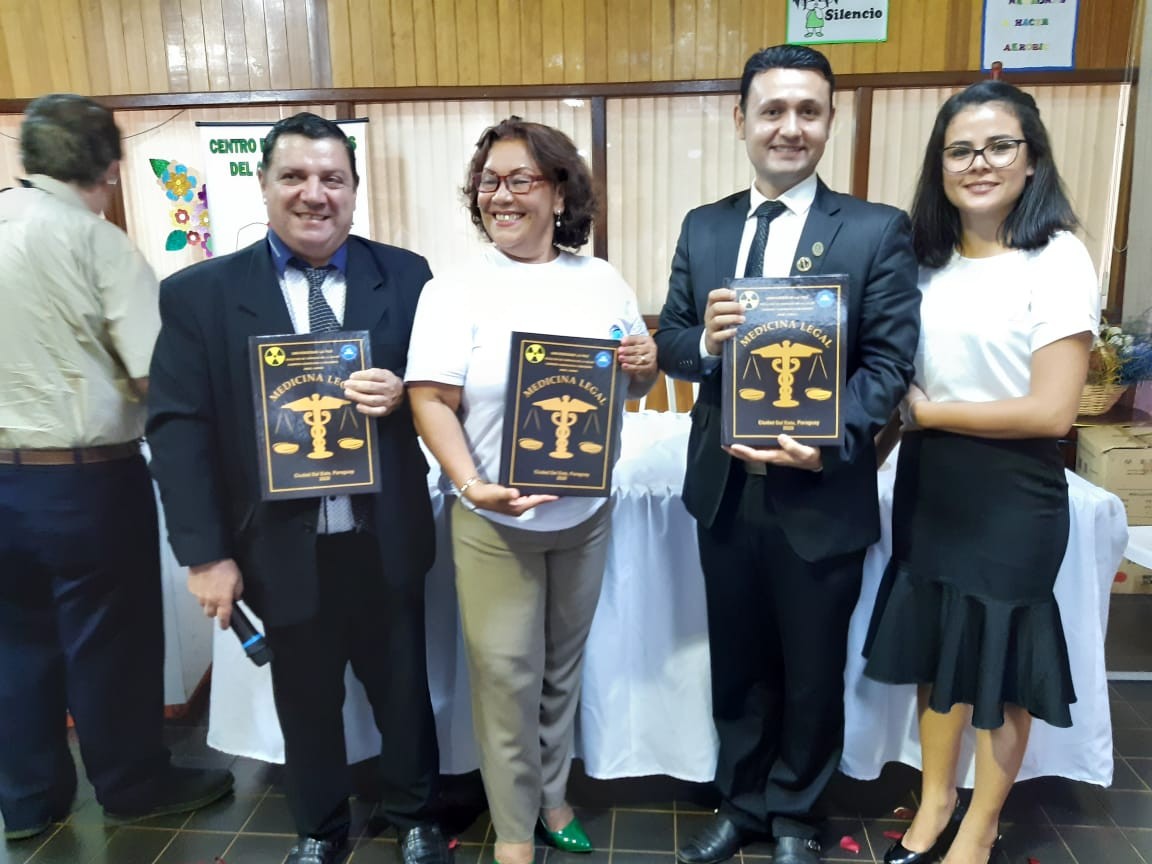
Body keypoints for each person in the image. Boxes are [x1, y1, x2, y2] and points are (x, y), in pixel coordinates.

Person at [146, 112, 449, 864]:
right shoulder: (200, 293)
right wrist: (205, 554)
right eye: (295, 176)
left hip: (384, 532)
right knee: (305, 698)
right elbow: (179, 431)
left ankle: (414, 816)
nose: (315, 194)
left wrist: (405, 391)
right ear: (264, 185)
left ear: (354, 189)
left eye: (332, 178)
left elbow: (446, 388)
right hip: (277, 542)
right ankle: (319, 829)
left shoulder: (408, 277)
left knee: (403, 688)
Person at [655, 46, 921, 864]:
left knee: (811, 667)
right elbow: (671, 342)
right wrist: (706, 341)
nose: (790, 127)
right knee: (738, 663)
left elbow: (888, 365)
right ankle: (742, 804)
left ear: (831, 120)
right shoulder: (705, 226)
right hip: (726, 489)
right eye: (772, 110)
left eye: (809, 110)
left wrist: (828, 441)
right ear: (741, 119)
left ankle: (798, 814)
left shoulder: (875, 230)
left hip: (820, 489)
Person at [406, 117, 658, 864]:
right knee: (505, 678)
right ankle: (514, 831)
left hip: (584, 515)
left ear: (560, 193)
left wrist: (644, 363)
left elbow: (634, 384)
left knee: (560, 671)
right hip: (494, 522)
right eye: (489, 181)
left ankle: (553, 797)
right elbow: (429, 398)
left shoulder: (601, 280)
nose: (501, 196)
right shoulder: (454, 289)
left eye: (521, 180)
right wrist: (472, 485)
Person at [862, 81, 1097, 864]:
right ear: (940, 166)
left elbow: (1053, 411)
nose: (979, 163)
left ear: (1032, 160)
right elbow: (895, 378)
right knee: (938, 654)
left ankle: (981, 825)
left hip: (1012, 494)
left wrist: (931, 417)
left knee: (1000, 662)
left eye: (999, 146)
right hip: (931, 487)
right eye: (960, 150)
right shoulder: (923, 261)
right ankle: (934, 805)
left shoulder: (1056, 256)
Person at [0, 94, 233, 842]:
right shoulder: (96, 243)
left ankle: (28, 800)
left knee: (13, 643)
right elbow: (154, 378)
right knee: (111, 639)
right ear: (108, 164)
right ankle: (133, 785)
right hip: (84, 479)